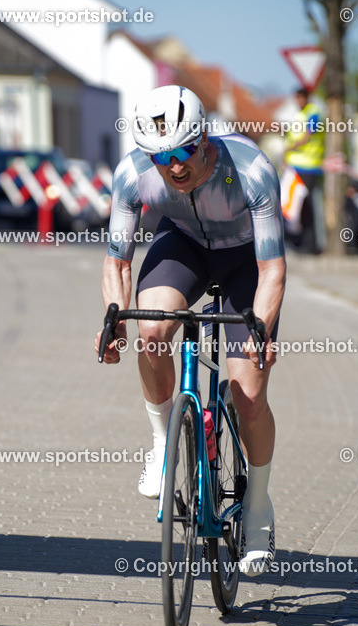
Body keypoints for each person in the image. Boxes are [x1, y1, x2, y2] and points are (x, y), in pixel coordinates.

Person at [95, 85, 285, 576]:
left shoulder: (251, 170)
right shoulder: (132, 174)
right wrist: (114, 318)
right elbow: (117, 263)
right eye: (161, 157)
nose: (174, 166)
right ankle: (163, 442)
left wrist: (260, 330)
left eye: (184, 152)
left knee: (247, 395)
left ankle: (259, 505)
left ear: (204, 138)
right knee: (153, 332)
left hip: (246, 260)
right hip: (182, 246)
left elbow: (272, 269)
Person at [283, 88, 325, 253]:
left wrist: (290, 148)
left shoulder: (313, 113)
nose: (298, 101)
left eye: (301, 98)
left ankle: (310, 244)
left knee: (306, 207)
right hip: (296, 167)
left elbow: (308, 134)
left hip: (309, 167)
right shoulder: (299, 114)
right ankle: (299, 242)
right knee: (295, 207)